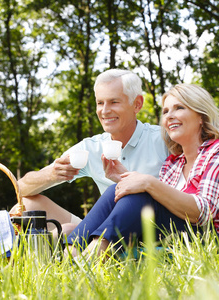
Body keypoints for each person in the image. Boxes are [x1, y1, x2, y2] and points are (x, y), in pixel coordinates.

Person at [65, 83, 219, 257]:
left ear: (201, 116)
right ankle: (71, 253)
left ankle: (94, 256)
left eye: (179, 108)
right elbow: (161, 206)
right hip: (183, 236)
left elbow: (202, 214)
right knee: (115, 191)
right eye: (165, 111)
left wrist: (148, 183)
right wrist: (124, 178)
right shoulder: (174, 163)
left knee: (143, 194)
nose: (169, 116)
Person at [14, 69, 168, 234]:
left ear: (137, 104)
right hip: (104, 228)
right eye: (100, 103)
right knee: (28, 204)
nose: (105, 111)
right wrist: (52, 174)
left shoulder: (163, 140)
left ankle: (73, 248)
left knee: (67, 231)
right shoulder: (91, 147)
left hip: (153, 228)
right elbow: (20, 188)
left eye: (114, 102)